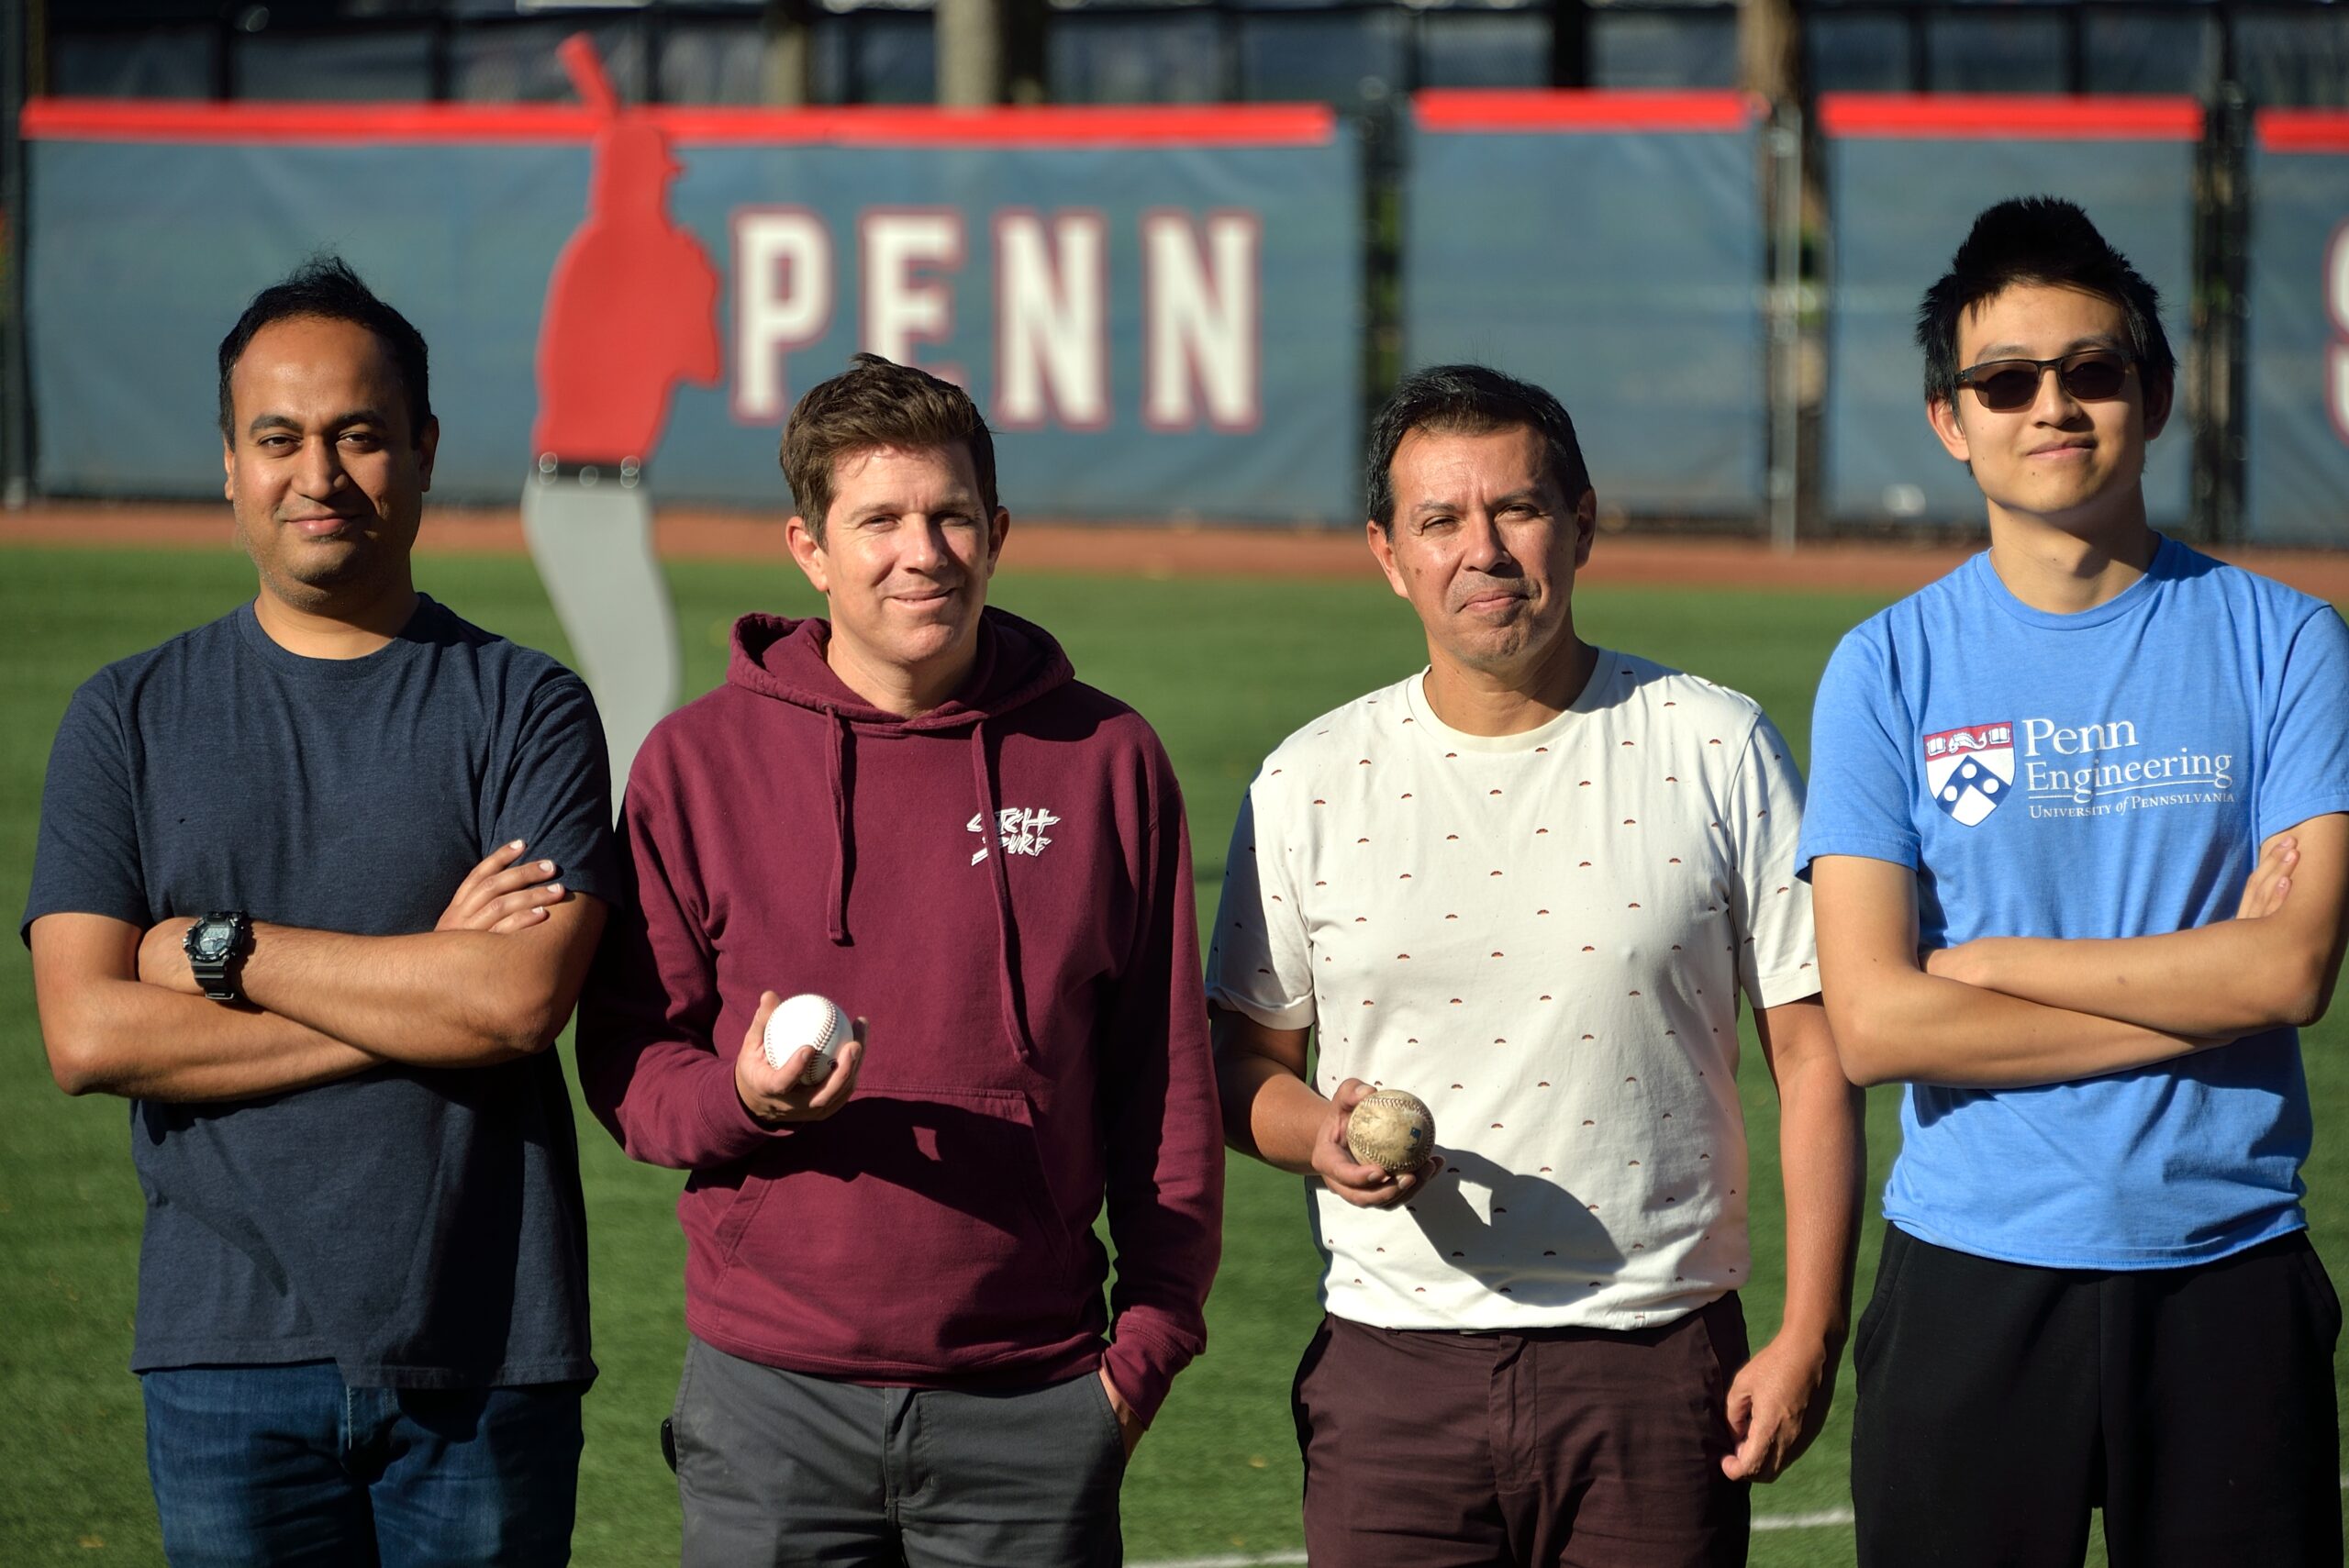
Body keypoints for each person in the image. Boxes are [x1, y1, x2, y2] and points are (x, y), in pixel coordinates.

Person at [1208, 363, 1864, 1567]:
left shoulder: (1714, 744)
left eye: (1517, 509)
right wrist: (1315, 1133)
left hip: (1655, 1362)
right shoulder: (1306, 780)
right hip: (1391, 1372)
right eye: (1439, 520)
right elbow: (1241, 1060)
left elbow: (1816, 1055)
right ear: (1387, 551)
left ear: (1583, 522)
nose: (1484, 549)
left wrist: (1809, 1330)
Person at [577, 352, 1221, 1567]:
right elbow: (624, 1059)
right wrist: (740, 1101)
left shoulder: (1107, 759)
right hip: (767, 1400)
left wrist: (1145, 1348)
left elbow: (1166, 1082)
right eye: (878, 519)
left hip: (1034, 1394)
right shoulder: (694, 763)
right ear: (809, 547)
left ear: (998, 532)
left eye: (950, 516)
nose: (920, 551)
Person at [23, 256, 618, 1563]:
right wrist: (426, 993)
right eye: (277, 438)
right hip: (222, 1353)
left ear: (422, 448)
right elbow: (88, 1036)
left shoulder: (527, 707)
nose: (320, 474)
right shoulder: (127, 716)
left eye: (358, 434)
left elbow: (519, 1001)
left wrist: (219, 954)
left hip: (486, 1349)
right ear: (228, 464)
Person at [1801, 196, 2349, 1566]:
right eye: (2006, 381)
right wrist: (2205, 984)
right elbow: (1872, 1025)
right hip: (1973, 1276)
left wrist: (1992, 967)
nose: (2052, 405)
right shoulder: (1885, 667)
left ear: (2152, 395)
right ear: (1950, 418)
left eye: (2092, 370)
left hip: (2227, 1267)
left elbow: (2291, 971)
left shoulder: (2289, 643)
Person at [522, 31, 722, 799]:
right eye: (658, 176)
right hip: (579, 496)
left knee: (636, 683)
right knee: (639, 682)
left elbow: (703, 364)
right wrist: (684, 285)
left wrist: (695, 291)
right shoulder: (603, 256)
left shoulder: (644, 257)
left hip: (610, 494)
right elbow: (678, 356)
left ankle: (592, 845)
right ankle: (587, 849)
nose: (666, 188)